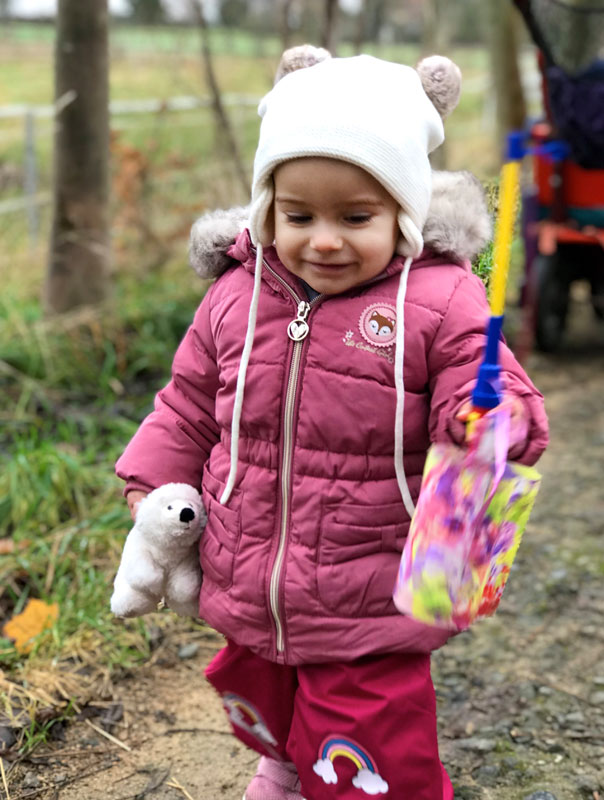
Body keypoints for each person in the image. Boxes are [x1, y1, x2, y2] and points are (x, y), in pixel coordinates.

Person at [116, 46, 549, 800]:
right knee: (265, 687)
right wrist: (154, 481)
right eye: (298, 215)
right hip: (251, 566)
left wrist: (486, 417)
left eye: (356, 217)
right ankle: (286, 763)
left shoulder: (441, 301)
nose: (323, 239)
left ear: (404, 213)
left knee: (374, 742)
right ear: (266, 209)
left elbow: (491, 385)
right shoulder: (235, 296)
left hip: (372, 583)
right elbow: (185, 400)